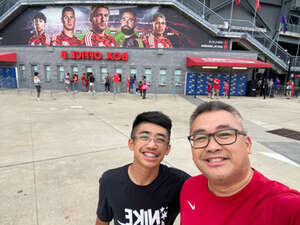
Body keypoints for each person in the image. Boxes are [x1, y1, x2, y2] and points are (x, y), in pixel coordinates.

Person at [180, 101, 300, 225]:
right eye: (200, 138)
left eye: (224, 134)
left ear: (247, 144)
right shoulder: (189, 188)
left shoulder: (288, 209)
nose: (212, 147)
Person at [95, 111, 190, 225]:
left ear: (167, 149)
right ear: (131, 143)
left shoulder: (180, 182)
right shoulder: (110, 181)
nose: (151, 145)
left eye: (160, 139)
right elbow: (102, 221)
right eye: (144, 137)